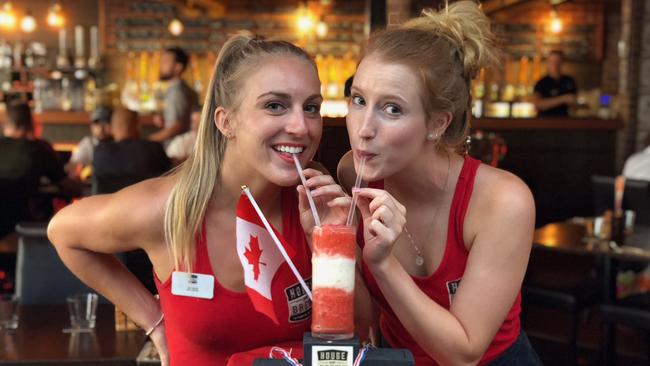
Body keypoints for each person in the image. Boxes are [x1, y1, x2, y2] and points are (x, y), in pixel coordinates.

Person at [47, 35, 354, 366]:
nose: (301, 126)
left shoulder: (318, 200)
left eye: (311, 107)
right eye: (274, 105)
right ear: (226, 121)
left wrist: (329, 241)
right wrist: (155, 321)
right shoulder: (168, 207)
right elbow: (63, 232)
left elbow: (358, 333)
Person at [338, 2, 540, 365]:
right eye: (358, 100)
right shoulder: (354, 175)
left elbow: (464, 353)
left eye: (392, 109)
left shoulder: (502, 201)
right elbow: (360, 322)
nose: (363, 129)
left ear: (437, 124)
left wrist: (383, 264)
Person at [0, 102, 66, 237]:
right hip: (23, 228)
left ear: (5, 124)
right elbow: (67, 186)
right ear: (31, 124)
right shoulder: (39, 148)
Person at [92, 107, 170, 195]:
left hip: (110, 208)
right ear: (138, 127)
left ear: (112, 128)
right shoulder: (154, 149)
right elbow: (169, 180)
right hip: (149, 207)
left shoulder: (99, 152)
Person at [149, 47, 199, 146]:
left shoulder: (177, 91)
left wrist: (149, 140)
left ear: (178, 67)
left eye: (166, 62)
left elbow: (177, 127)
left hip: (176, 150)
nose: (161, 65)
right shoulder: (182, 89)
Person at [66, 106, 113, 178]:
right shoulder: (88, 142)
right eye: (97, 124)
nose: (101, 128)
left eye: (105, 123)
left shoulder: (120, 143)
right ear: (91, 126)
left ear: (114, 125)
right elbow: (73, 166)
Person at [532, 50, 577, 117]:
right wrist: (563, 99)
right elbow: (537, 104)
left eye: (558, 61)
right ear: (547, 63)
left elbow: (574, 102)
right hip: (544, 122)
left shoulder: (569, 81)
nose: (555, 64)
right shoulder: (541, 82)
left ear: (562, 62)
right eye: (552, 61)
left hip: (565, 122)